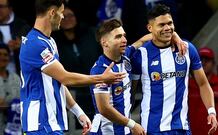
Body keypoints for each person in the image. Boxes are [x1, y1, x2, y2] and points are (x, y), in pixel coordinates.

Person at [19, 0, 125, 135]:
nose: (63, 17)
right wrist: (102, 78)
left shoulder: (49, 41)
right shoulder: (35, 44)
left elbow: (59, 81)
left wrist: (79, 113)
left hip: (51, 122)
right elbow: (66, 78)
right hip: (40, 122)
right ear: (52, 13)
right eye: (61, 12)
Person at [131, 4, 218, 135]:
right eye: (161, 25)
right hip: (152, 129)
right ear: (150, 28)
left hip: (182, 127)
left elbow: (203, 83)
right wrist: (129, 122)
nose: (167, 28)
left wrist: (211, 111)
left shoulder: (187, 49)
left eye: (170, 23)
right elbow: (131, 92)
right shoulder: (141, 55)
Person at [89, 18, 186, 135]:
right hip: (105, 132)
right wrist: (132, 124)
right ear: (104, 42)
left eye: (124, 35)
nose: (124, 40)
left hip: (124, 130)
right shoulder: (100, 70)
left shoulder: (126, 56)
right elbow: (104, 109)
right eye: (118, 37)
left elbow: (142, 40)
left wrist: (174, 35)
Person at [52, 6, 102, 124]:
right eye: (64, 16)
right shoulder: (53, 41)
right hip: (70, 92)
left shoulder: (91, 34)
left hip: (95, 88)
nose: (67, 19)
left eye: (71, 15)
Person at [0, 0, 30, 74]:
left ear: (10, 9)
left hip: (19, 74)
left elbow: (35, 51)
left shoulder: (22, 27)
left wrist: (22, 46)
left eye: (1, 7)